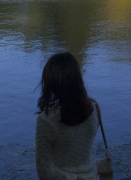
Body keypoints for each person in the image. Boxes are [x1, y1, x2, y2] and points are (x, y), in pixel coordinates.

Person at [35, 52, 100, 180]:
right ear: (77, 77)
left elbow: (44, 171)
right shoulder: (93, 109)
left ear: (51, 82)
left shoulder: (46, 121)